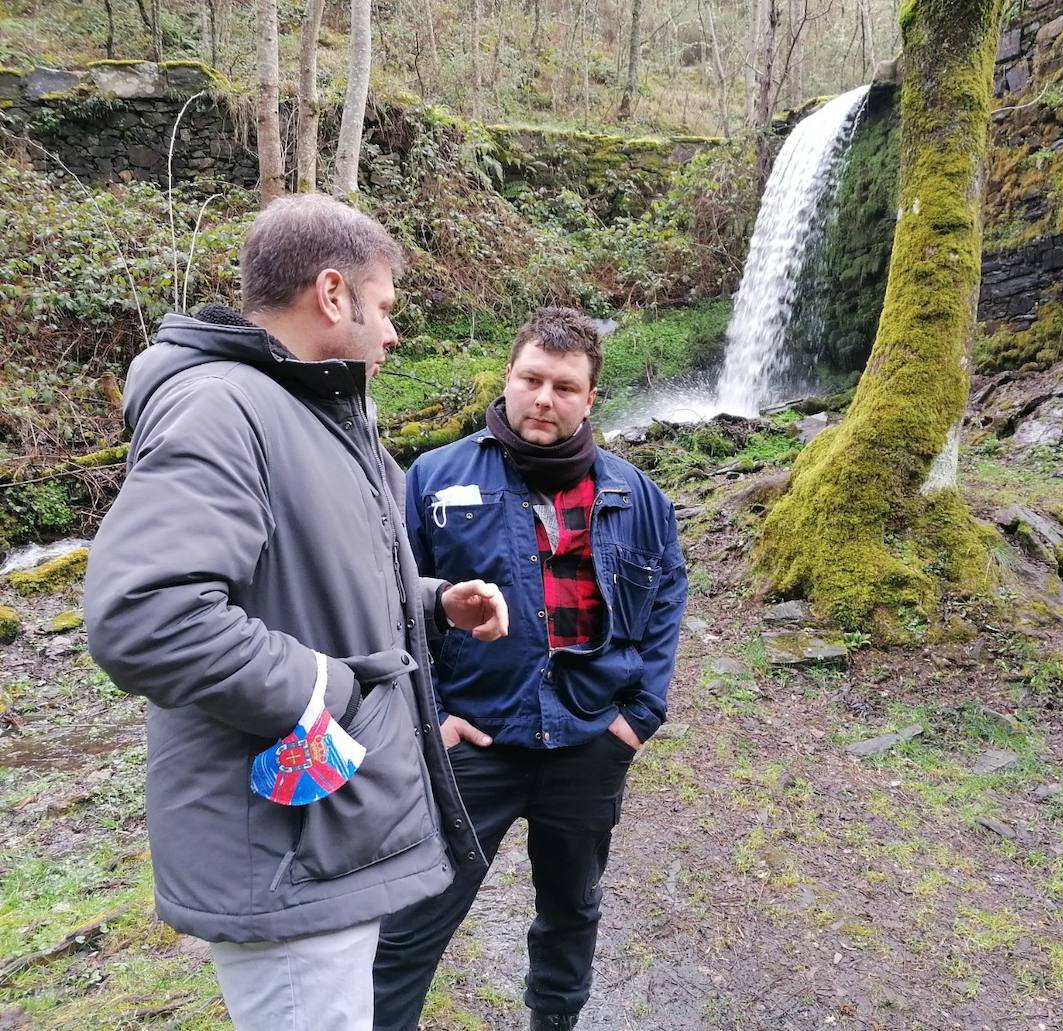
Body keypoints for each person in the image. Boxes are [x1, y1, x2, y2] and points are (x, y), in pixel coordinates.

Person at [85, 193, 508, 1031]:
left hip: (329, 827)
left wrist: (431, 603)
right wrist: (331, 689)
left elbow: (311, 585)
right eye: (383, 307)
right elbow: (146, 614)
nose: (392, 333)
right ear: (331, 293)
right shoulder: (222, 407)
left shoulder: (324, 417)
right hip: (285, 850)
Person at [372, 307, 688, 1031]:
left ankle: (555, 1020)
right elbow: (388, 599)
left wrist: (638, 716)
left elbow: (667, 589)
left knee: (571, 909)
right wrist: (430, 716)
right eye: (532, 379)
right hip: (473, 740)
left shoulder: (636, 495)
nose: (545, 398)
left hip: (587, 743)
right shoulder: (434, 477)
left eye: (565, 386)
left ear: (589, 398)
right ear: (508, 378)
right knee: (413, 921)